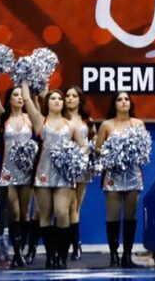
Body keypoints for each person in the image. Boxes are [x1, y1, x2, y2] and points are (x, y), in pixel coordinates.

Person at [22, 83, 86, 269]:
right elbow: (27, 99)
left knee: (61, 212)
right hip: (43, 173)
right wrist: (25, 80)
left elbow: (83, 147)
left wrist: (75, 156)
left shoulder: (71, 125)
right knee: (45, 215)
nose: (57, 101)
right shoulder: (40, 121)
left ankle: (62, 256)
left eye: (60, 98)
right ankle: (51, 256)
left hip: (64, 175)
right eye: (53, 98)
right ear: (47, 102)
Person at [96, 91, 149, 268]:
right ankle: (113, 255)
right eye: (120, 99)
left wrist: (132, 153)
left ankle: (127, 254)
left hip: (133, 174)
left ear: (131, 103)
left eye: (127, 99)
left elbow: (145, 148)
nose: (124, 102)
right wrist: (112, 153)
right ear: (114, 104)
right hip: (113, 174)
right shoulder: (106, 125)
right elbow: (97, 148)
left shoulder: (138, 124)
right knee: (112, 214)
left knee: (130, 215)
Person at [0, 78, 34, 268]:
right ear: (9, 99)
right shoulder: (3, 117)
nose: (19, 98)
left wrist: (28, 82)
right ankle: (16, 252)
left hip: (27, 170)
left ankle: (21, 252)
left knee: (25, 212)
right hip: (7, 170)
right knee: (14, 212)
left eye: (21, 95)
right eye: (15, 95)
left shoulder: (30, 118)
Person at [64, 86, 96, 261]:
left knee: (75, 207)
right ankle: (72, 245)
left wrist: (89, 152)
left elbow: (94, 141)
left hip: (82, 167)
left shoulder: (87, 121)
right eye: (67, 95)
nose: (70, 98)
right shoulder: (60, 118)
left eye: (74, 96)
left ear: (80, 99)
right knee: (66, 206)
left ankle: (75, 244)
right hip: (63, 167)